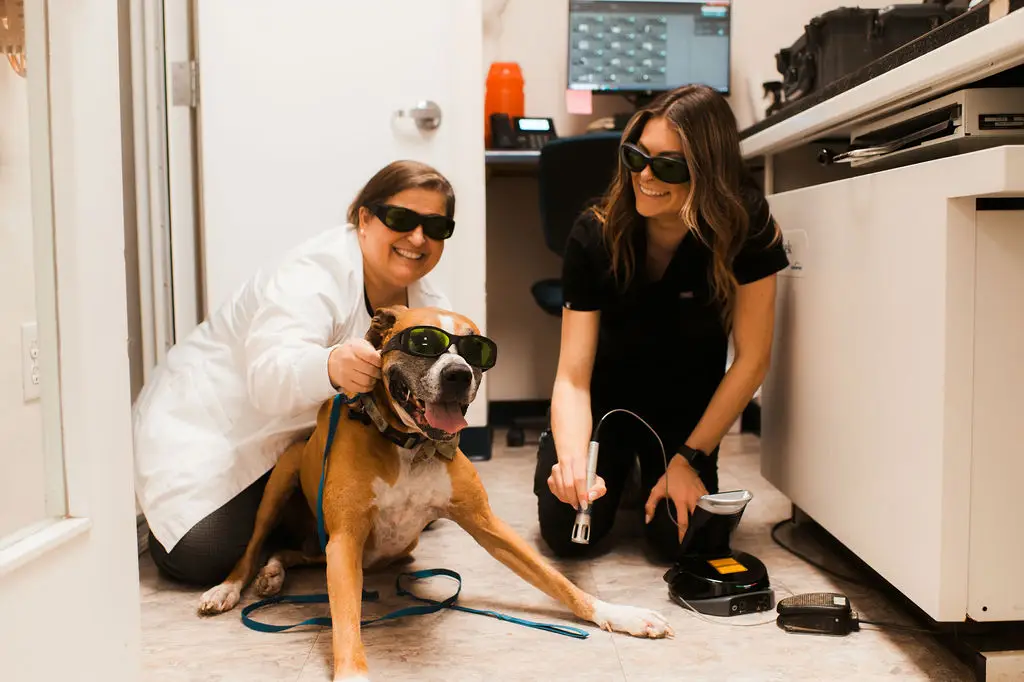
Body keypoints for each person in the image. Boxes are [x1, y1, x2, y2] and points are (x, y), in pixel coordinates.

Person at [133, 160, 457, 586]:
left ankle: (295, 518)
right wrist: (329, 365)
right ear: (364, 218)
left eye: (436, 228)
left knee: (403, 512)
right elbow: (268, 379)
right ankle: (280, 524)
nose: (418, 238)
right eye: (401, 219)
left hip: (307, 437)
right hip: (216, 423)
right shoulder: (311, 274)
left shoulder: (428, 299)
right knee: (199, 555)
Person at [534, 84, 790, 563]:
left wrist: (690, 458)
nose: (645, 176)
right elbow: (572, 374)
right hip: (605, 403)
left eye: (668, 165)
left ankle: (655, 467)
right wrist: (570, 458)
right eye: (637, 157)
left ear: (707, 174)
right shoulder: (594, 233)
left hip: (684, 408)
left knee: (677, 544)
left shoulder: (746, 227)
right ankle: (611, 465)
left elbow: (753, 360)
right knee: (568, 534)